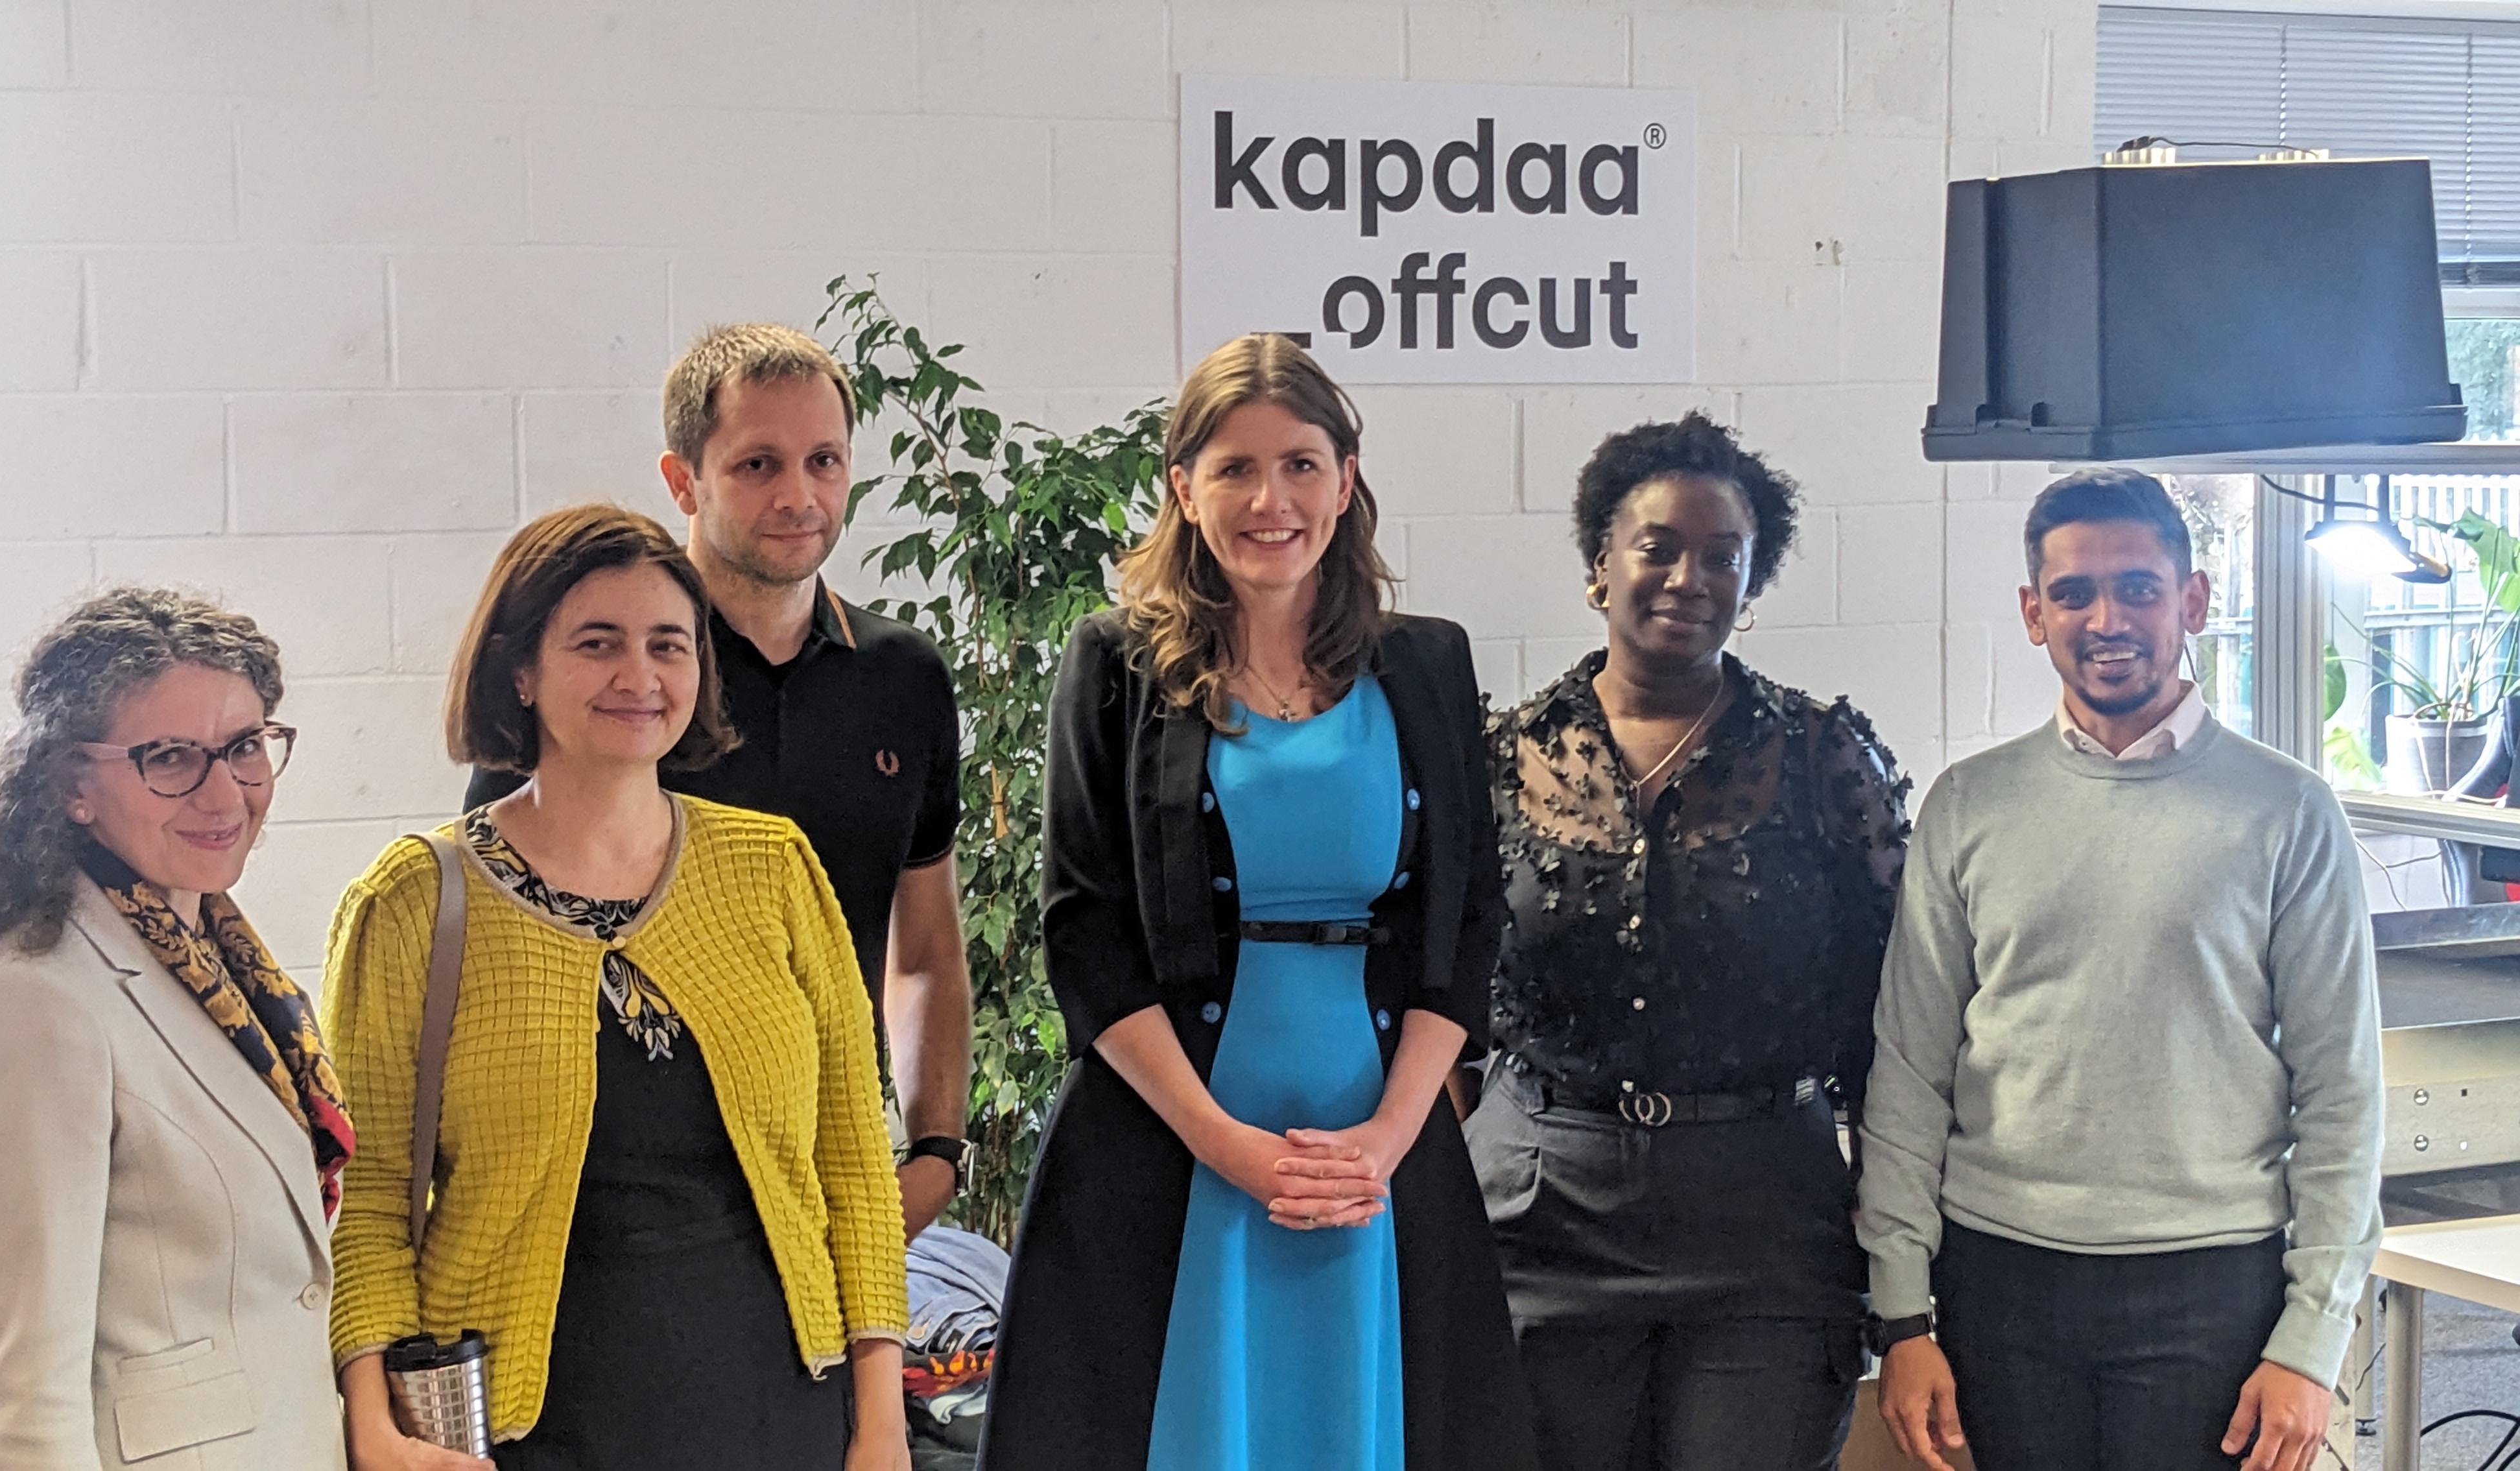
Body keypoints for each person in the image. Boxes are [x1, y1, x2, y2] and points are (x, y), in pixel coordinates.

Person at [977, 334, 1539, 1471]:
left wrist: (1384, 1145)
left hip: (1375, 1154)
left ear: (1346, 477)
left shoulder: (1428, 664)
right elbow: (1085, 931)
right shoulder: (1113, 663)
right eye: (1233, 468)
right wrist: (1227, 1147)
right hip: (1172, 1144)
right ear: (1182, 487)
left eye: (1299, 464)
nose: (1268, 499)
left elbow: (1467, 923)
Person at [324, 506, 909, 1471]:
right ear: (520, 670)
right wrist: (371, 1422)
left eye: (668, 645)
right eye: (598, 644)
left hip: (783, 1407)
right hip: (529, 1427)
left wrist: (881, 1424)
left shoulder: (774, 869)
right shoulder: (413, 903)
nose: (639, 677)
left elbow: (851, 1159)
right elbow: (373, 1195)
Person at [1860, 468, 2383, 1471]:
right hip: (2000, 1281)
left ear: (2193, 600)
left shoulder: (2289, 811)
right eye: (2074, 593)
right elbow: (1909, 1071)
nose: (2108, 619)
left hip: (2213, 1285)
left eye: (2139, 588)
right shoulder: (1969, 808)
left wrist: (2313, 1341)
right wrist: (1901, 1316)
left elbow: (2342, 1093)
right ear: (2032, 612)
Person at [1467, 412, 1909, 1470]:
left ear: (1751, 585)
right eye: (1657, 546)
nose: (1687, 576)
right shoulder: (1500, 757)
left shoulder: (1824, 757)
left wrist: (1895, 1228)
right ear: (1598, 564)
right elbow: (1438, 993)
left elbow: (1892, 1007)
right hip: (1541, 1210)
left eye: (1723, 557)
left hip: (1766, 1216)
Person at [466, 324, 972, 1240]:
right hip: (628, 1195)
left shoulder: (902, 678)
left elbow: (926, 948)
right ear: (682, 480)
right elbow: (505, 946)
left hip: (834, 1173)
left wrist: (934, 1157)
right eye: (757, 465)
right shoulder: (614, 685)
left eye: (824, 461)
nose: (799, 495)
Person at [0, 587, 350, 1470]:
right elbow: (31, 1401)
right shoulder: (37, 1004)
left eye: (245, 747)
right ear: (74, 782)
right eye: (171, 757)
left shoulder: (215, 958)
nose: (225, 791)